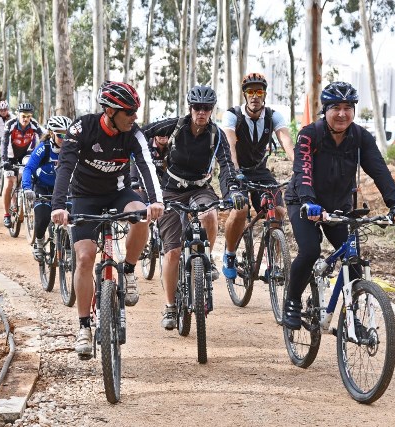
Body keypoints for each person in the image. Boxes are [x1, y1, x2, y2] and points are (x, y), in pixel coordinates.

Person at [282, 81, 395, 330]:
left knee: (353, 261)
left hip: (339, 207)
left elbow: (380, 171)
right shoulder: (310, 134)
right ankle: (293, 301)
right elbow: (304, 171)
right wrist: (309, 202)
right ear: (325, 110)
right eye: (335, 107)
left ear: (354, 110)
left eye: (347, 107)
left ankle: (349, 319)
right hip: (303, 202)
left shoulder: (361, 137)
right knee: (309, 251)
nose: (342, 114)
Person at [50, 81, 164, 358]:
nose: (134, 117)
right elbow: (65, 166)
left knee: (141, 216)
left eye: (136, 112)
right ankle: (84, 327)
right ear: (110, 111)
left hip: (117, 193)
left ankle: (127, 270)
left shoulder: (132, 133)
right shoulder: (82, 129)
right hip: (83, 197)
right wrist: (58, 206)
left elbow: (147, 164)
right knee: (86, 258)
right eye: (129, 112)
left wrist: (156, 200)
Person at [142, 85, 244, 331]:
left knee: (209, 213)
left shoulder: (216, 134)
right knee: (173, 252)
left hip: (200, 188)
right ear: (190, 108)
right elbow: (139, 134)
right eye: (197, 107)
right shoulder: (174, 126)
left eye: (206, 108)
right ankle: (169, 307)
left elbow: (226, 165)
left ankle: (205, 258)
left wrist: (232, 192)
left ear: (211, 110)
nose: (201, 112)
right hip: (170, 189)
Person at [220, 73, 295, 280]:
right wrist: (235, 172)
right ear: (245, 95)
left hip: (260, 170)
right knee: (240, 209)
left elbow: (287, 143)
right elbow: (230, 144)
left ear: (264, 94)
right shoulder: (232, 115)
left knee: (278, 211)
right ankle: (230, 254)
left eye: (259, 91)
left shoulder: (273, 116)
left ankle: (273, 263)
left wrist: (300, 168)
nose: (255, 96)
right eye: (250, 91)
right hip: (234, 169)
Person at [22, 115, 73, 260]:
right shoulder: (43, 148)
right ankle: (38, 243)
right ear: (51, 133)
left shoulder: (71, 149)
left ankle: (68, 249)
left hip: (63, 189)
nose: (64, 139)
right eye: (60, 135)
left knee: (71, 214)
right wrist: (27, 188)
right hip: (43, 188)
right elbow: (28, 168)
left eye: (67, 134)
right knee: (43, 216)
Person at [1, 102, 43, 228]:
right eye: (23, 116)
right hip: (10, 155)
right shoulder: (11, 124)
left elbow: (43, 139)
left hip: (26, 155)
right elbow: (4, 143)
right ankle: (6, 215)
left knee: (22, 178)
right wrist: (4, 160)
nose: (26, 119)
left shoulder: (34, 125)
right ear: (18, 115)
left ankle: (21, 203)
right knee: (9, 182)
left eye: (29, 116)